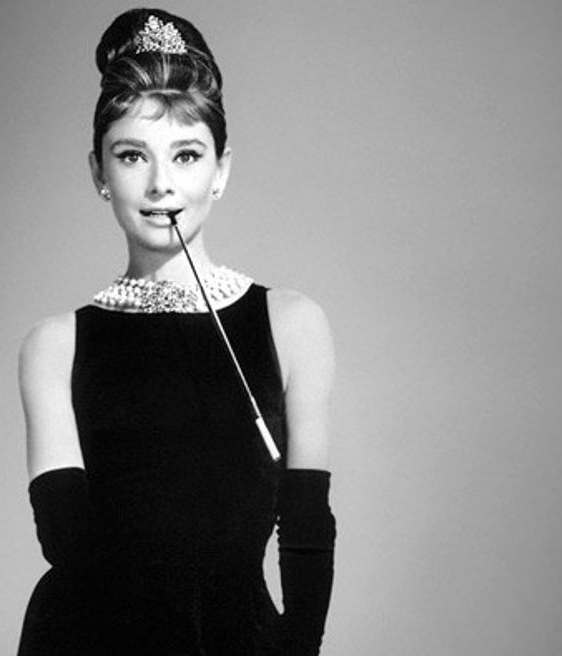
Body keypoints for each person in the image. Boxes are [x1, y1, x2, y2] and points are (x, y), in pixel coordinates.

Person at [17, 8, 336, 655]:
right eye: (132, 155)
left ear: (221, 169)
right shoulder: (54, 346)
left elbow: (305, 529)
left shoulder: (292, 325)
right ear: (99, 173)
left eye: (186, 155)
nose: (161, 184)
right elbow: (70, 546)